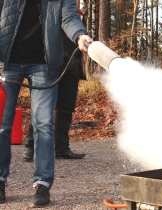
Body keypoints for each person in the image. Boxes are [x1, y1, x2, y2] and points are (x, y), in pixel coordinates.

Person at [0, 0, 93, 208]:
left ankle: (42, 183)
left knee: (43, 124)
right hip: (7, 63)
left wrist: (80, 35)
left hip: (44, 64)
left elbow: (69, 18)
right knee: (2, 124)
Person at [23, 9, 87, 161]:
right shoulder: (48, 8)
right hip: (49, 66)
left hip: (71, 66)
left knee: (65, 109)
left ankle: (61, 148)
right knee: (42, 107)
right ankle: (31, 147)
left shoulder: (77, 14)